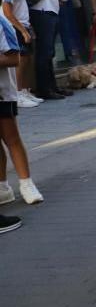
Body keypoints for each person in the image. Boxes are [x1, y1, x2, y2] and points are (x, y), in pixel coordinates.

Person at [0, 15, 40, 205]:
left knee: (11, 138)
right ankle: (3, 187)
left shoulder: (2, 22)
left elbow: (13, 58)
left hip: (2, 93)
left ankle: (26, 183)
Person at [25, 0, 70, 100]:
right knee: (44, 53)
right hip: (42, 13)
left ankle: (53, 87)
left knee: (49, 52)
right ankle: (45, 89)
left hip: (50, 12)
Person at [1, 0, 40, 107]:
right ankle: (17, 94)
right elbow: (7, 11)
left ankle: (24, 90)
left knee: (27, 59)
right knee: (20, 61)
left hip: (24, 25)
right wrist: (22, 31)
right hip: (16, 28)